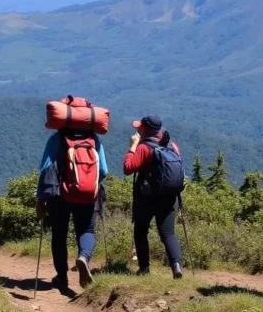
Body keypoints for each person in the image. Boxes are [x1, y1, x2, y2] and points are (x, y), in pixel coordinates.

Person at [36, 128, 108, 290]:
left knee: (59, 234)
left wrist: (40, 198)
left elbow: (45, 169)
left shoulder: (57, 139)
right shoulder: (93, 139)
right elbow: (103, 170)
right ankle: (84, 257)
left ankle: (62, 277)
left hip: (59, 195)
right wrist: (88, 184)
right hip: (87, 195)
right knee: (87, 230)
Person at [123, 115, 184, 278]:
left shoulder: (143, 148)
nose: (137, 129)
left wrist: (132, 147)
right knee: (168, 234)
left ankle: (144, 269)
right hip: (169, 197)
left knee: (141, 231)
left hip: (146, 197)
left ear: (146, 129)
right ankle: (176, 266)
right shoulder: (171, 145)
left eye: (139, 126)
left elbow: (128, 168)